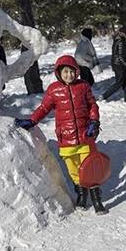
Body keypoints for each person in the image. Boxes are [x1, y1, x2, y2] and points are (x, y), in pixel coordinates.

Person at [14, 55, 107, 214]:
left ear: (76, 72)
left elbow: (93, 106)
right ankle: (82, 196)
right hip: (66, 139)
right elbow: (44, 108)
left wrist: (94, 122)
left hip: (85, 136)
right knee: (73, 170)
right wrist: (32, 121)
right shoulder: (54, 90)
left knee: (89, 168)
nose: (69, 75)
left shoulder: (83, 86)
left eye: (72, 71)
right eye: (65, 72)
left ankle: (97, 200)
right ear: (59, 72)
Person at [101, 27, 126, 102]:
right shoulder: (121, 42)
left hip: (117, 64)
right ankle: (104, 96)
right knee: (119, 83)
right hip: (119, 65)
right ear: (123, 34)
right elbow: (120, 56)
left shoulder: (118, 40)